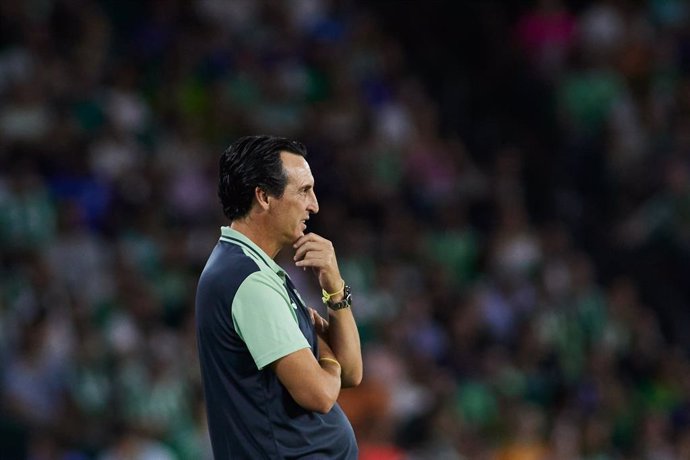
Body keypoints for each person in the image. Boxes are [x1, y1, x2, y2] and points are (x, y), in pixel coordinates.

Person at [195, 135, 362, 459]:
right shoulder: (248, 280)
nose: (314, 204)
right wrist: (326, 351)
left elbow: (353, 372)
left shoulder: (256, 268)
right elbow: (320, 395)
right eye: (303, 191)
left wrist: (336, 287)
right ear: (264, 197)